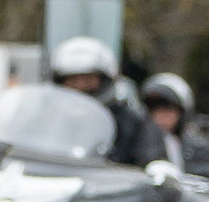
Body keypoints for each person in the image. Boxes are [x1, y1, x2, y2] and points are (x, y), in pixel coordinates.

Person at [47, 36, 166, 167]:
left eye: (88, 79)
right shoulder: (45, 117)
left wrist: (157, 167)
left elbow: (151, 157)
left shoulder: (129, 120)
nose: (80, 86)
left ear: (105, 80)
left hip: (111, 185)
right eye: (72, 80)